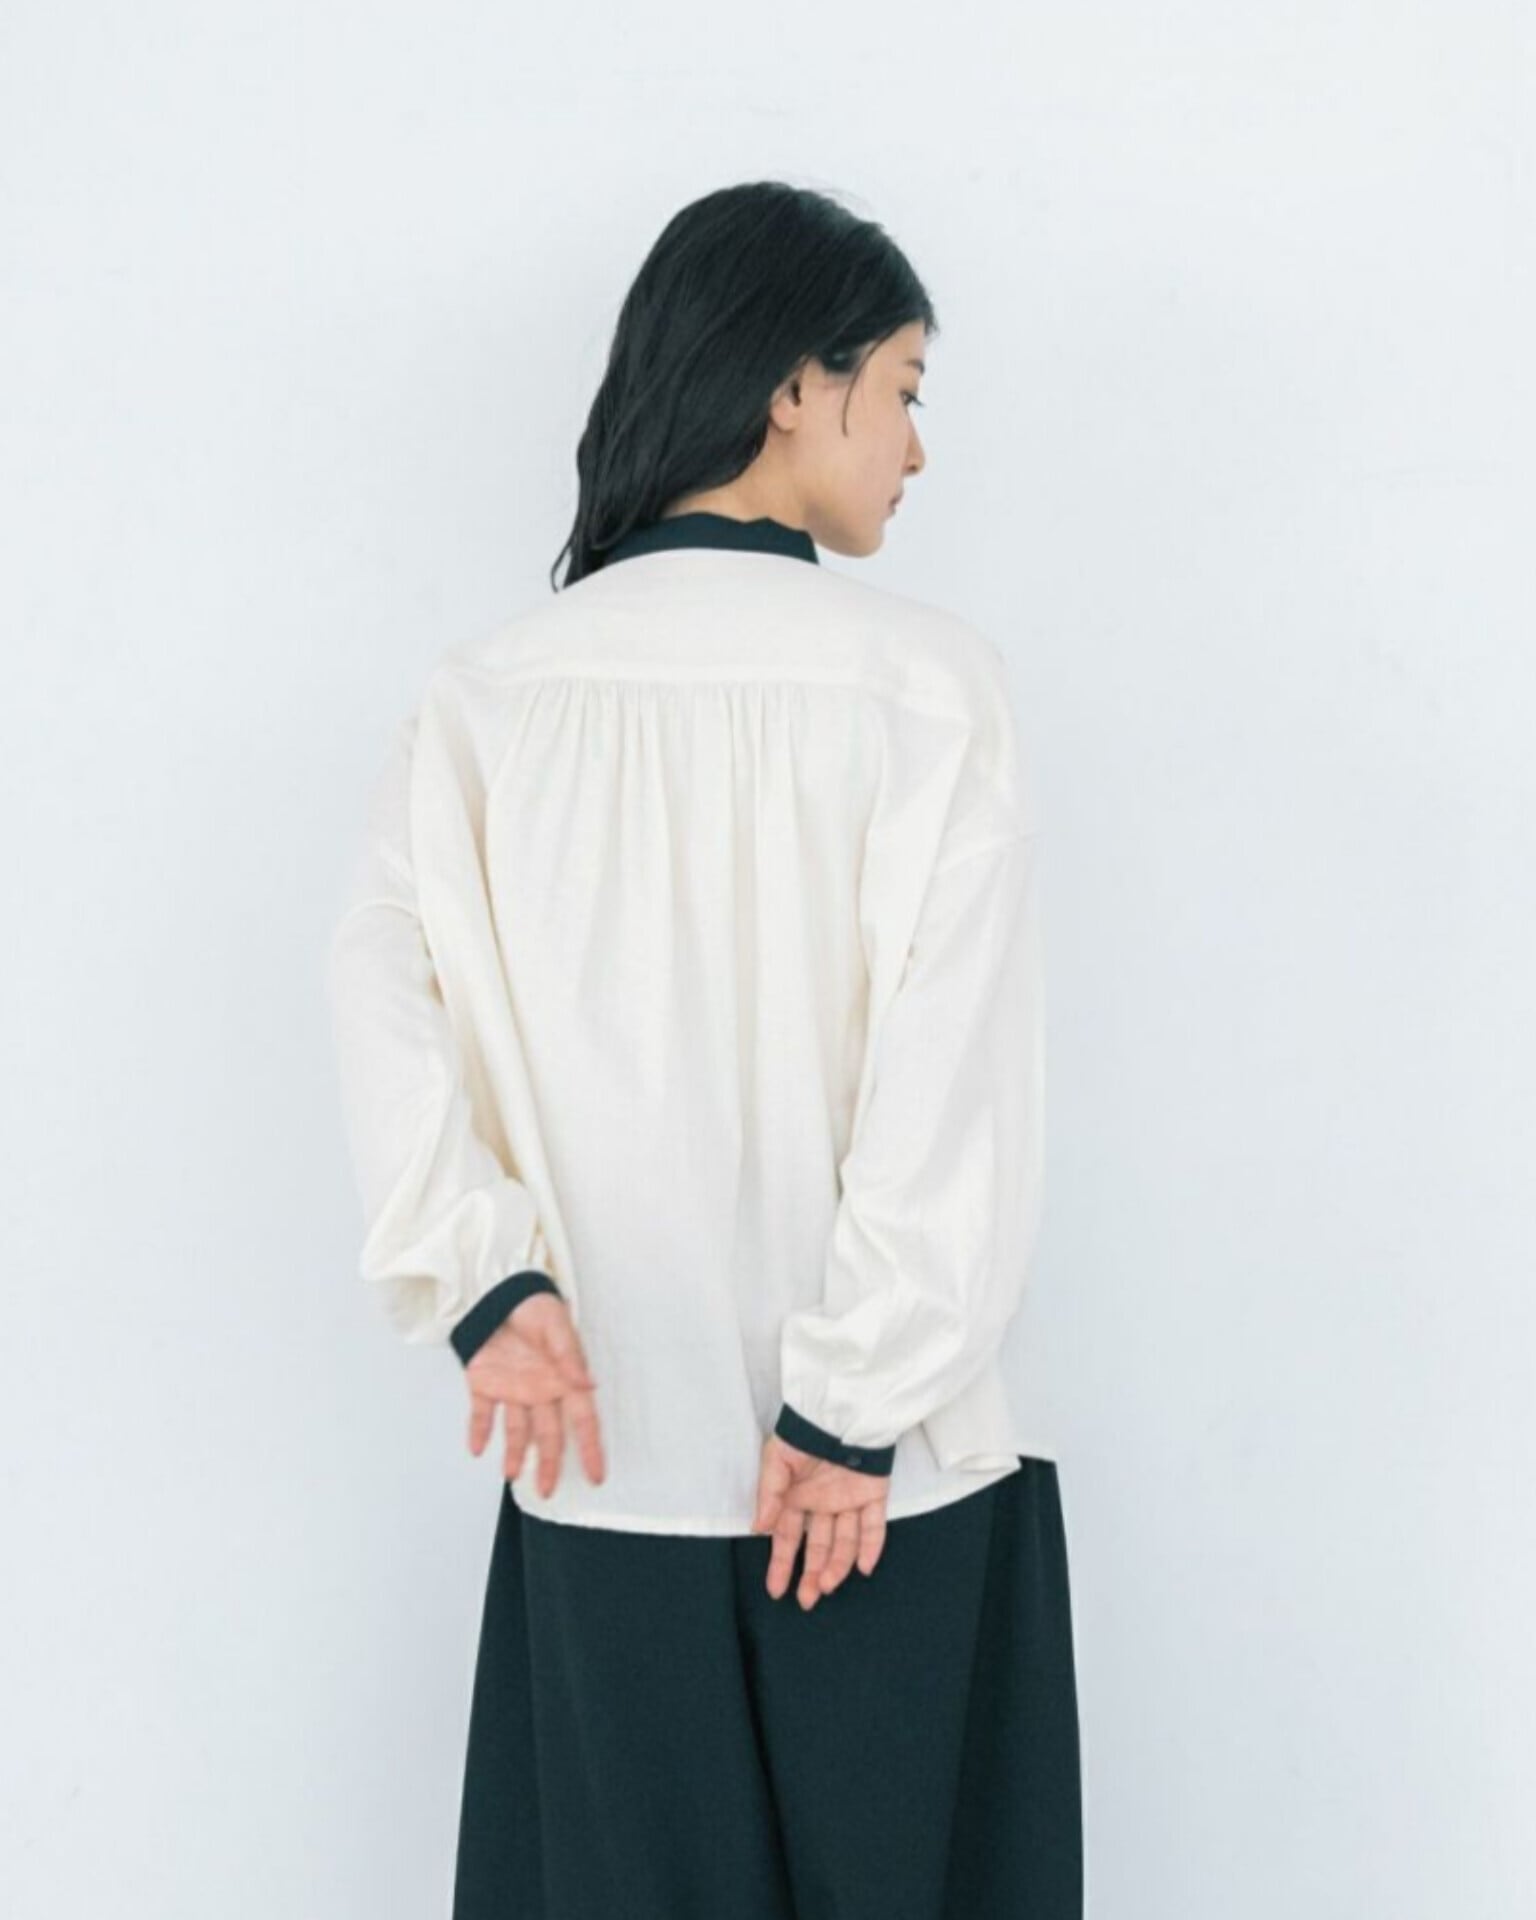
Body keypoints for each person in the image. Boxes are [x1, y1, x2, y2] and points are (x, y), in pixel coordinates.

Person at [326, 178, 1083, 1919]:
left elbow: (378, 976)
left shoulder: (495, 695)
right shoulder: (926, 688)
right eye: (903, 387)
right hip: (885, 1497)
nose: (916, 446)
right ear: (794, 386)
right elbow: (955, 1071)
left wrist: (485, 1280)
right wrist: (854, 1399)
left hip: (609, 1466)